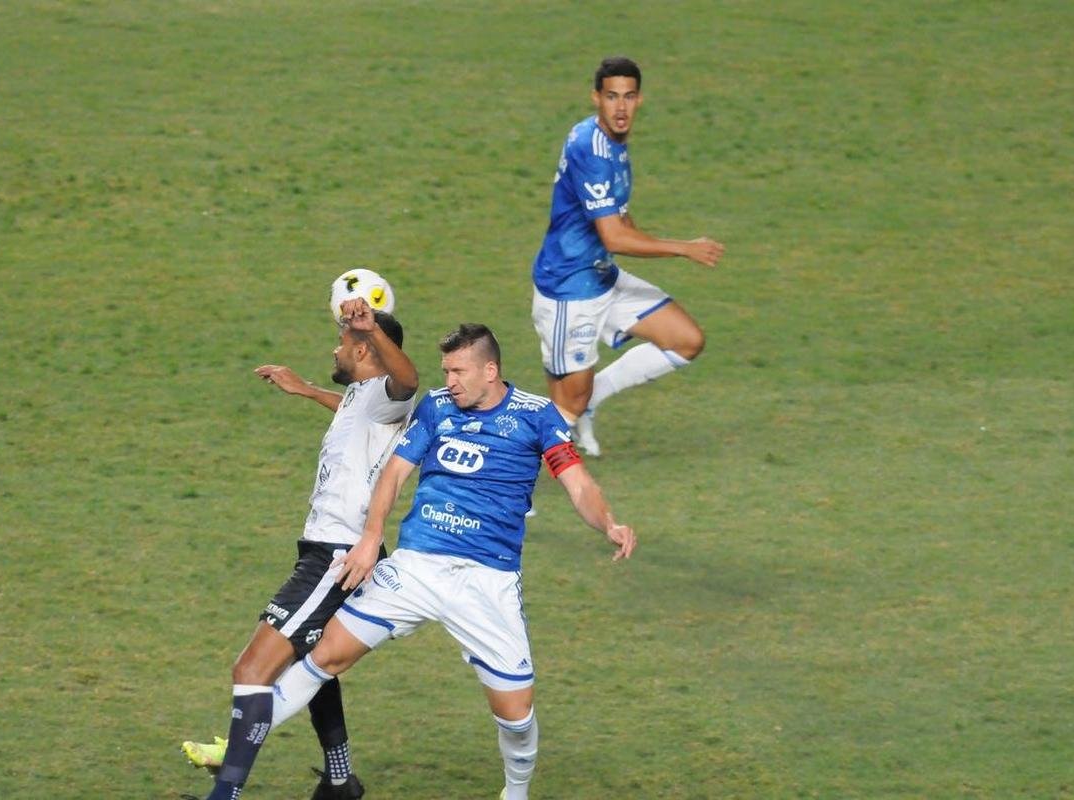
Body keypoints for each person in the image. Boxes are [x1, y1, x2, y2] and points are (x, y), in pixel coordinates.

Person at [191, 323, 637, 800]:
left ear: (490, 370)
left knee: (516, 714)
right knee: (324, 655)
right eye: (446, 370)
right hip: (416, 567)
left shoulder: (536, 415)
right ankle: (234, 750)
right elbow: (393, 474)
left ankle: (516, 790)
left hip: (485, 580)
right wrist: (370, 539)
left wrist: (608, 523)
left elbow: (578, 482)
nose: (449, 381)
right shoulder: (436, 406)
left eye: (458, 371)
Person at [180, 297, 418, 800]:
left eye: (341, 343)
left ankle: (225, 796)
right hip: (327, 552)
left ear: (363, 348)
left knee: (251, 669)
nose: (334, 350)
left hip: (336, 556)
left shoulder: (387, 393)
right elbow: (354, 415)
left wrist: (372, 329)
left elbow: (408, 381)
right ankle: (339, 781)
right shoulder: (362, 398)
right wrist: (306, 390)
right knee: (311, 662)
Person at [531, 56, 726, 456]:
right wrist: (683, 248)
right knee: (564, 408)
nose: (621, 108)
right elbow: (614, 235)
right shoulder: (592, 150)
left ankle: (593, 397)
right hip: (569, 290)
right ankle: (506, 485)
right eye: (611, 97)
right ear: (596, 98)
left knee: (686, 340)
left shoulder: (611, 144)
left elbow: (618, 217)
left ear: (639, 100)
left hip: (601, 276)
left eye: (629, 96)